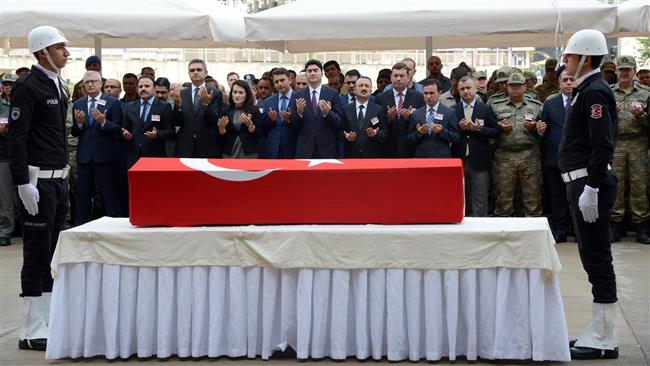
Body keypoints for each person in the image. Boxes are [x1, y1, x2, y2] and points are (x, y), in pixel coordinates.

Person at [558, 29, 620, 360]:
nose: (566, 61)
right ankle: (600, 329)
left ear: (584, 58)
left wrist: (593, 186)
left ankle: (605, 335)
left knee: (597, 258)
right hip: (580, 182)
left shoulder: (594, 93)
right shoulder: (587, 91)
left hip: (588, 182)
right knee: (590, 257)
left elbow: (603, 143)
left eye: (570, 56)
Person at [9, 25, 70, 351]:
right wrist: (21, 183)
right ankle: (30, 328)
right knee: (35, 254)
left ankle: (45, 321)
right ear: (42, 51)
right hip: (38, 183)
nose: (67, 53)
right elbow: (17, 139)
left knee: (50, 255)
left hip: (57, 181)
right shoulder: (27, 86)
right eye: (60, 48)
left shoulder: (58, 85)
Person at [71, 71, 123, 225]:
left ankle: (111, 226)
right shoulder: (78, 104)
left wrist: (103, 122)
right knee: (83, 196)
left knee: (108, 195)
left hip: (105, 156)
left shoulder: (112, 103)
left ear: (101, 83)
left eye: (93, 81)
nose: (90, 84)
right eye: (86, 82)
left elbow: (119, 128)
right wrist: (79, 123)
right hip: (85, 157)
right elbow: (75, 132)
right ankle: (82, 227)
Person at [609, 55, 650, 243]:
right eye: (621, 69)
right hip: (616, 144)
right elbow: (598, 123)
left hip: (638, 143)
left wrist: (642, 116)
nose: (624, 73)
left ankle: (641, 226)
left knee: (639, 185)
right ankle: (616, 225)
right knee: (616, 185)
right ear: (617, 72)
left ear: (634, 71)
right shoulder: (608, 93)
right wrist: (611, 114)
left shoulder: (646, 93)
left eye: (628, 69)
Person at [492, 72, 543, 217]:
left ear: (525, 86)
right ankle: (503, 233)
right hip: (504, 157)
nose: (515, 89)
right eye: (512, 86)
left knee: (532, 198)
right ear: (506, 87)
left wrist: (534, 128)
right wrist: (499, 128)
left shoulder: (536, 106)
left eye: (518, 86)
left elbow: (544, 132)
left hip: (529, 156)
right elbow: (489, 131)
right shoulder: (495, 105)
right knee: (503, 199)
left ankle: (533, 233)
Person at [451, 76, 499, 217]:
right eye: (462, 89)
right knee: (460, 198)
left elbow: (496, 131)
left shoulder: (485, 109)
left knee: (480, 198)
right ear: (458, 91)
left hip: (480, 160)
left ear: (475, 89)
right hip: (459, 160)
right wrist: (458, 128)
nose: (465, 91)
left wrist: (479, 129)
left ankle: (481, 229)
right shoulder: (453, 110)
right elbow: (448, 133)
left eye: (468, 88)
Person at [537, 66, 574, 242]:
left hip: (578, 159)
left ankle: (576, 228)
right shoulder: (550, 103)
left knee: (576, 195)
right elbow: (542, 131)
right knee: (557, 196)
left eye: (571, 79)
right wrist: (540, 130)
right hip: (555, 158)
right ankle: (560, 229)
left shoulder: (583, 101)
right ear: (558, 83)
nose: (568, 83)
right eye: (564, 80)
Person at [289, 59, 343, 159]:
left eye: (315, 70)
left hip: (327, 148)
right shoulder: (298, 95)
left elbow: (339, 122)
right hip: (305, 148)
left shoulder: (332, 94)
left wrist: (328, 113)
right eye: (309, 71)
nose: (312, 73)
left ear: (322, 73)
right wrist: (299, 113)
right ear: (306, 75)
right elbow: (293, 126)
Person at [170, 59, 224, 158]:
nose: (195, 72)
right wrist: (178, 106)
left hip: (207, 145)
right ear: (188, 73)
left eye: (199, 69)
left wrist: (206, 104)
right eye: (192, 70)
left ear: (206, 72)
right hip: (185, 146)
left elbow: (215, 121)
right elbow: (177, 122)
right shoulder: (182, 93)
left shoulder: (215, 93)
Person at [121, 76, 173, 168]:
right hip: (134, 155)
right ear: (137, 89)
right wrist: (127, 135)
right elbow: (126, 128)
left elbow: (170, 132)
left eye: (147, 86)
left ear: (154, 88)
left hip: (155, 155)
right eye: (140, 87)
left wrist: (157, 134)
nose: (143, 89)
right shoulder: (129, 107)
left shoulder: (164, 107)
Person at [376, 62, 425, 158]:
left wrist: (411, 118)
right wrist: (388, 118)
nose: (398, 79)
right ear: (391, 77)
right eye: (395, 76)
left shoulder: (418, 96)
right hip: (388, 147)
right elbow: (377, 123)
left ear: (408, 77)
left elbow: (423, 121)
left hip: (411, 146)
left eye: (401, 76)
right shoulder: (381, 98)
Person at [406, 79, 459, 158]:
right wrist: (419, 133)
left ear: (440, 93)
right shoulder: (416, 114)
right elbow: (409, 138)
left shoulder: (449, 113)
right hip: (421, 158)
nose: (428, 96)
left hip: (442, 159)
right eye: (425, 93)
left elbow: (456, 138)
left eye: (431, 93)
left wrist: (442, 131)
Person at [340, 76, 387, 158]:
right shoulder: (346, 109)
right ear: (354, 90)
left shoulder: (378, 109)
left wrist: (375, 134)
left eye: (367, 86)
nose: (364, 88)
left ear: (371, 90)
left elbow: (384, 132)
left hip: (372, 156)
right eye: (361, 85)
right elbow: (340, 131)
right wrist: (346, 136)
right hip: (351, 155)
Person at [219, 80, 262, 158]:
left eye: (241, 93)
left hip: (249, 152)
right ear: (231, 94)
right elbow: (222, 137)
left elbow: (258, 134)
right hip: (229, 151)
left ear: (247, 95)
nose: (237, 95)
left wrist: (249, 124)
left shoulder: (254, 110)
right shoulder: (226, 110)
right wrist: (221, 128)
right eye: (234, 92)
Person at [261, 68, 296, 158]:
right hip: (273, 148)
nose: (279, 84)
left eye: (282, 80)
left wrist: (290, 120)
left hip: (294, 147)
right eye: (276, 82)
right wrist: (271, 120)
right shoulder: (268, 101)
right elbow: (263, 127)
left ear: (290, 80)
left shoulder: (299, 98)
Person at [0, 73, 17, 246]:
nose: (8, 87)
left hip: (24, 155)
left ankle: (25, 228)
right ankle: (5, 231)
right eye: (5, 84)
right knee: (5, 197)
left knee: (24, 194)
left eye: (11, 84)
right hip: (4, 155)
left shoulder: (24, 102)